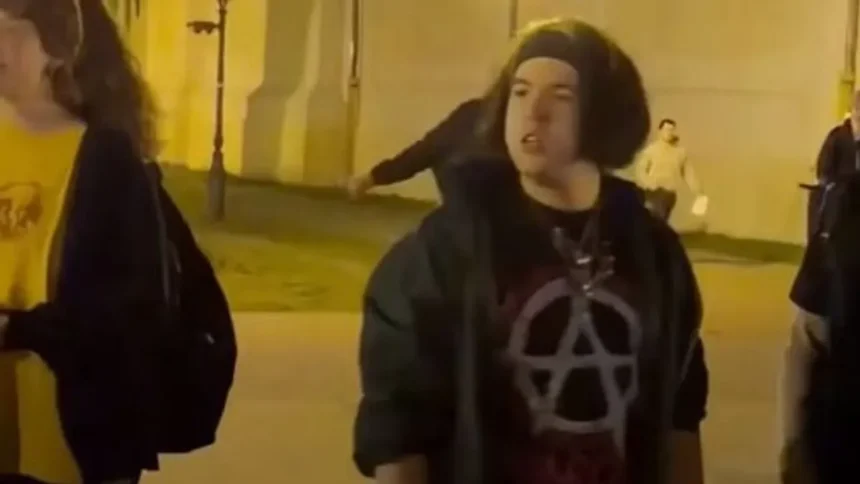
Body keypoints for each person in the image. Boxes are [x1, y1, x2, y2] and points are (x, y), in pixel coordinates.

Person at [353, 18, 708, 484]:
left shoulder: (655, 255)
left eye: (561, 95)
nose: (534, 112)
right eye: (520, 92)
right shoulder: (444, 252)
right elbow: (399, 430)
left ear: (604, 113)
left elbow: (679, 418)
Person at [0, 0, 167, 482]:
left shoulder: (105, 159)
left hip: (75, 439)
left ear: (55, 48)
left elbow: (131, 311)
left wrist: (19, 331)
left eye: (11, 30)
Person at [780, 172, 860, 484]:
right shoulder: (846, 209)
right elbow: (808, 338)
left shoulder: (845, 208)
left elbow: (807, 342)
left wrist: (795, 446)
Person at [345, 97, 482, 202]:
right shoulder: (471, 116)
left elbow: (421, 153)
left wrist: (370, 179)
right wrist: (372, 178)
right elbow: (421, 154)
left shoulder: (471, 114)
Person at [804, 92, 860, 240]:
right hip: (839, 200)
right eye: (857, 109)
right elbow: (824, 169)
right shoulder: (837, 136)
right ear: (853, 110)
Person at [635, 119, 704, 221]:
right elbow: (640, 171)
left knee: (662, 221)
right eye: (666, 130)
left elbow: (689, 174)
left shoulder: (680, 153)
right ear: (660, 131)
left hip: (670, 194)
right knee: (656, 220)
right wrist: (650, 184)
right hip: (654, 193)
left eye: (672, 130)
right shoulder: (651, 151)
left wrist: (698, 191)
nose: (669, 133)